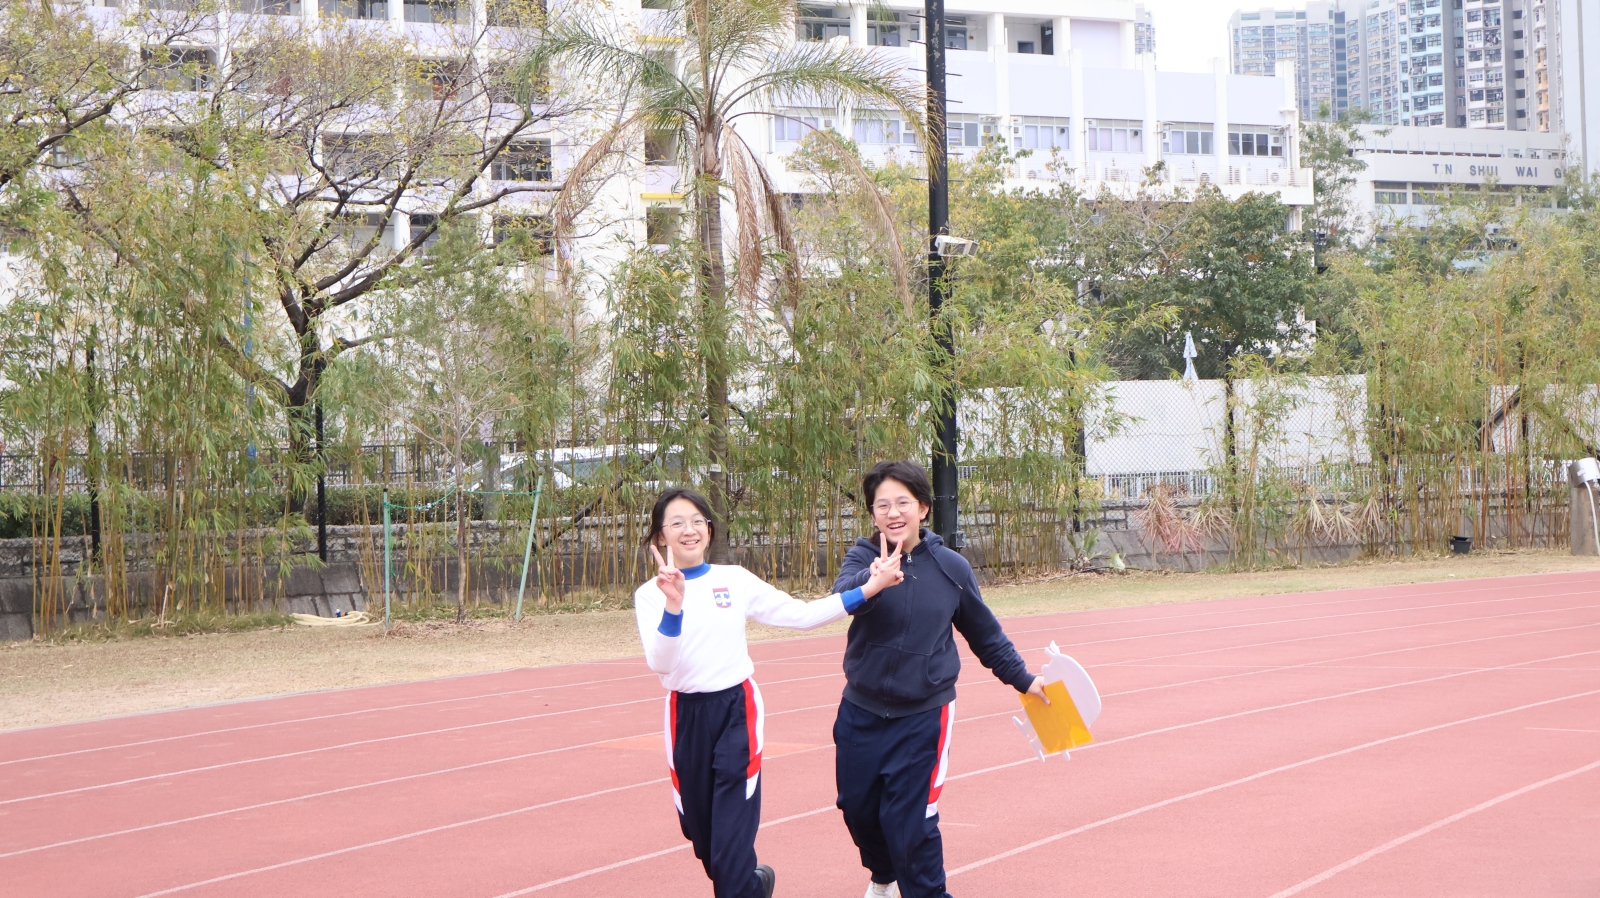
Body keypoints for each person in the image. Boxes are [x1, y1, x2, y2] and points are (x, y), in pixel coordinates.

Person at [635, 487, 907, 898]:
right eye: (676, 523)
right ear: (660, 536)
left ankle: (742, 885)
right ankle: (755, 885)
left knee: (729, 848)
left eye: (697, 521)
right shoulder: (649, 595)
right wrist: (674, 604)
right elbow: (661, 662)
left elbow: (801, 615)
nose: (689, 530)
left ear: (709, 529)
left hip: (736, 712)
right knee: (705, 841)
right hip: (684, 718)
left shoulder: (733, 579)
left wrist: (869, 588)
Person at [830, 461, 1047, 898]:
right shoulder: (862, 558)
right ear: (872, 513)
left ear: (924, 508)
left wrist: (1024, 680)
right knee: (857, 809)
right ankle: (884, 876)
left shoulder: (952, 568)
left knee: (913, 824)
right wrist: (874, 580)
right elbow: (840, 598)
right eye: (882, 505)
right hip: (860, 710)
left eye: (903, 503)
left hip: (923, 716)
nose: (893, 513)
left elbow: (985, 635)